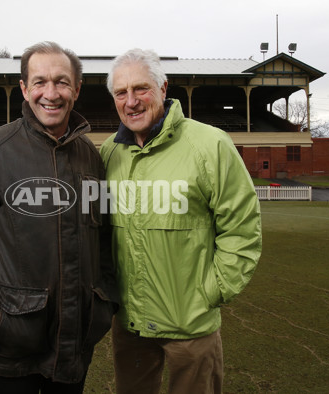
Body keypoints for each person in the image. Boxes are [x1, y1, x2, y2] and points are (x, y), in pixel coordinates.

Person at [0, 41, 118, 394]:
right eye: (40, 82)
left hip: (76, 345)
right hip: (11, 348)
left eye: (62, 82)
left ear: (77, 89)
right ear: (24, 88)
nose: (51, 93)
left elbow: (106, 241)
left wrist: (103, 305)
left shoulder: (92, 160)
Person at [100, 48, 262, 394]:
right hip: (130, 325)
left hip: (191, 326)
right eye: (121, 92)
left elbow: (242, 227)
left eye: (141, 88)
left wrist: (213, 290)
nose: (131, 102)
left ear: (163, 88)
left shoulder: (210, 144)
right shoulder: (108, 154)